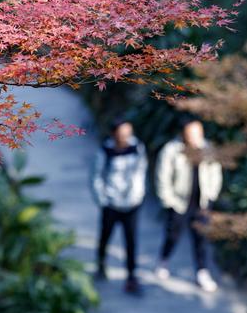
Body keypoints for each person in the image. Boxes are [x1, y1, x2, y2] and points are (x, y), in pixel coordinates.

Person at [155, 118, 222, 292]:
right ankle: (164, 260)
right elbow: (162, 177)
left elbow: (215, 173)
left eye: (198, 133)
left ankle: (202, 271)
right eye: (191, 133)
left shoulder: (207, 149)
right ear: (183, 134)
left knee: (201, 238)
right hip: (179, 203)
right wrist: (168, 201)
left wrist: (211, 196)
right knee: (173, 234)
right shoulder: (172, 150)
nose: (195, 137)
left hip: (202, 202)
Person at [91, 119, 148, 294]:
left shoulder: (136, 147)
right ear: (114, 133)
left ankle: (131, 275)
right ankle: (101, 264)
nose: (126, 137)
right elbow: (96, 176)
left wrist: (138, 196)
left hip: (131, 203)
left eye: (128, 133)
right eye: (122, 133)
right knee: (105, 235)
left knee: (131, 240)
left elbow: (140, 171)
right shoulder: (106, 150)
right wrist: (103, 200)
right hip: (111, 203)